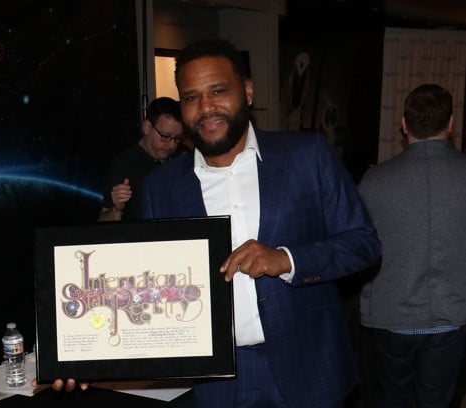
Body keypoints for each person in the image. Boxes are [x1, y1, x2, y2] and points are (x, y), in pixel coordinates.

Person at [139, 38, 380, 408]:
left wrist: (287, 260)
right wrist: (87, 355)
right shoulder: (161, 187)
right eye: (191, 97)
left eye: (218, 91)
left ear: (247, 91)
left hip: (307, 368)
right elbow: (147, 289)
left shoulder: (306, 156)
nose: (205, 107)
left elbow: (363, 243)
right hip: (215, 381)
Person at [358, 83, 466, 408]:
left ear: (404, 124)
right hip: (453, 317)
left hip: (391, 317)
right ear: (450, 124)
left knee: (392, 400)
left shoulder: (374, 181)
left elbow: (359, 248)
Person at [97, 96, 183, 221]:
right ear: (147, 127)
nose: (171, 145)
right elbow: (102, 224)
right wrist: (116, 209)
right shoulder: (123, 166)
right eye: (165, 136)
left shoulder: (178, 163)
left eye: (177, 139)